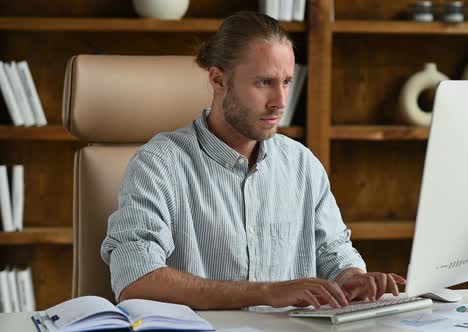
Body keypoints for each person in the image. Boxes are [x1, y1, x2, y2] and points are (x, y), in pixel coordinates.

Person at [101, 11, 405, 310]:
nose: (281, 101)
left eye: (286, 82)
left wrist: (351, 278)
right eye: (264, 83)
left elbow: (333, 251)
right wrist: (265, 293)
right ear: (219, 80)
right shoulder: (159, 164)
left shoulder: (301, 163)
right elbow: (136, 280)